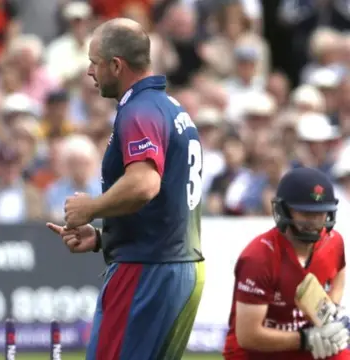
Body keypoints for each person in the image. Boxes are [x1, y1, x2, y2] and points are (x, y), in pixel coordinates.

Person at [47, 18, 204, 359]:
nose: (89, 71)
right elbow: (164, 204)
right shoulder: (171, 108)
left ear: (116, 65)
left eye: (94, 62)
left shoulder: (139, 111)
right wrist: (103, 238)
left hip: (149, 269)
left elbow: (145, 184)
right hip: (178, 265)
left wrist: (91, 207)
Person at [223, 167, 350, 360]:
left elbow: (339, 271)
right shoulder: (259, 258)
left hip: (309, 342)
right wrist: (305, 339)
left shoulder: (334, 242)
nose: (314, 221)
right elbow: (248, 336)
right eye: (305, 213)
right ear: (283, 210)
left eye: (321, 213)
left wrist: (330, 311)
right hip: (257, 353)